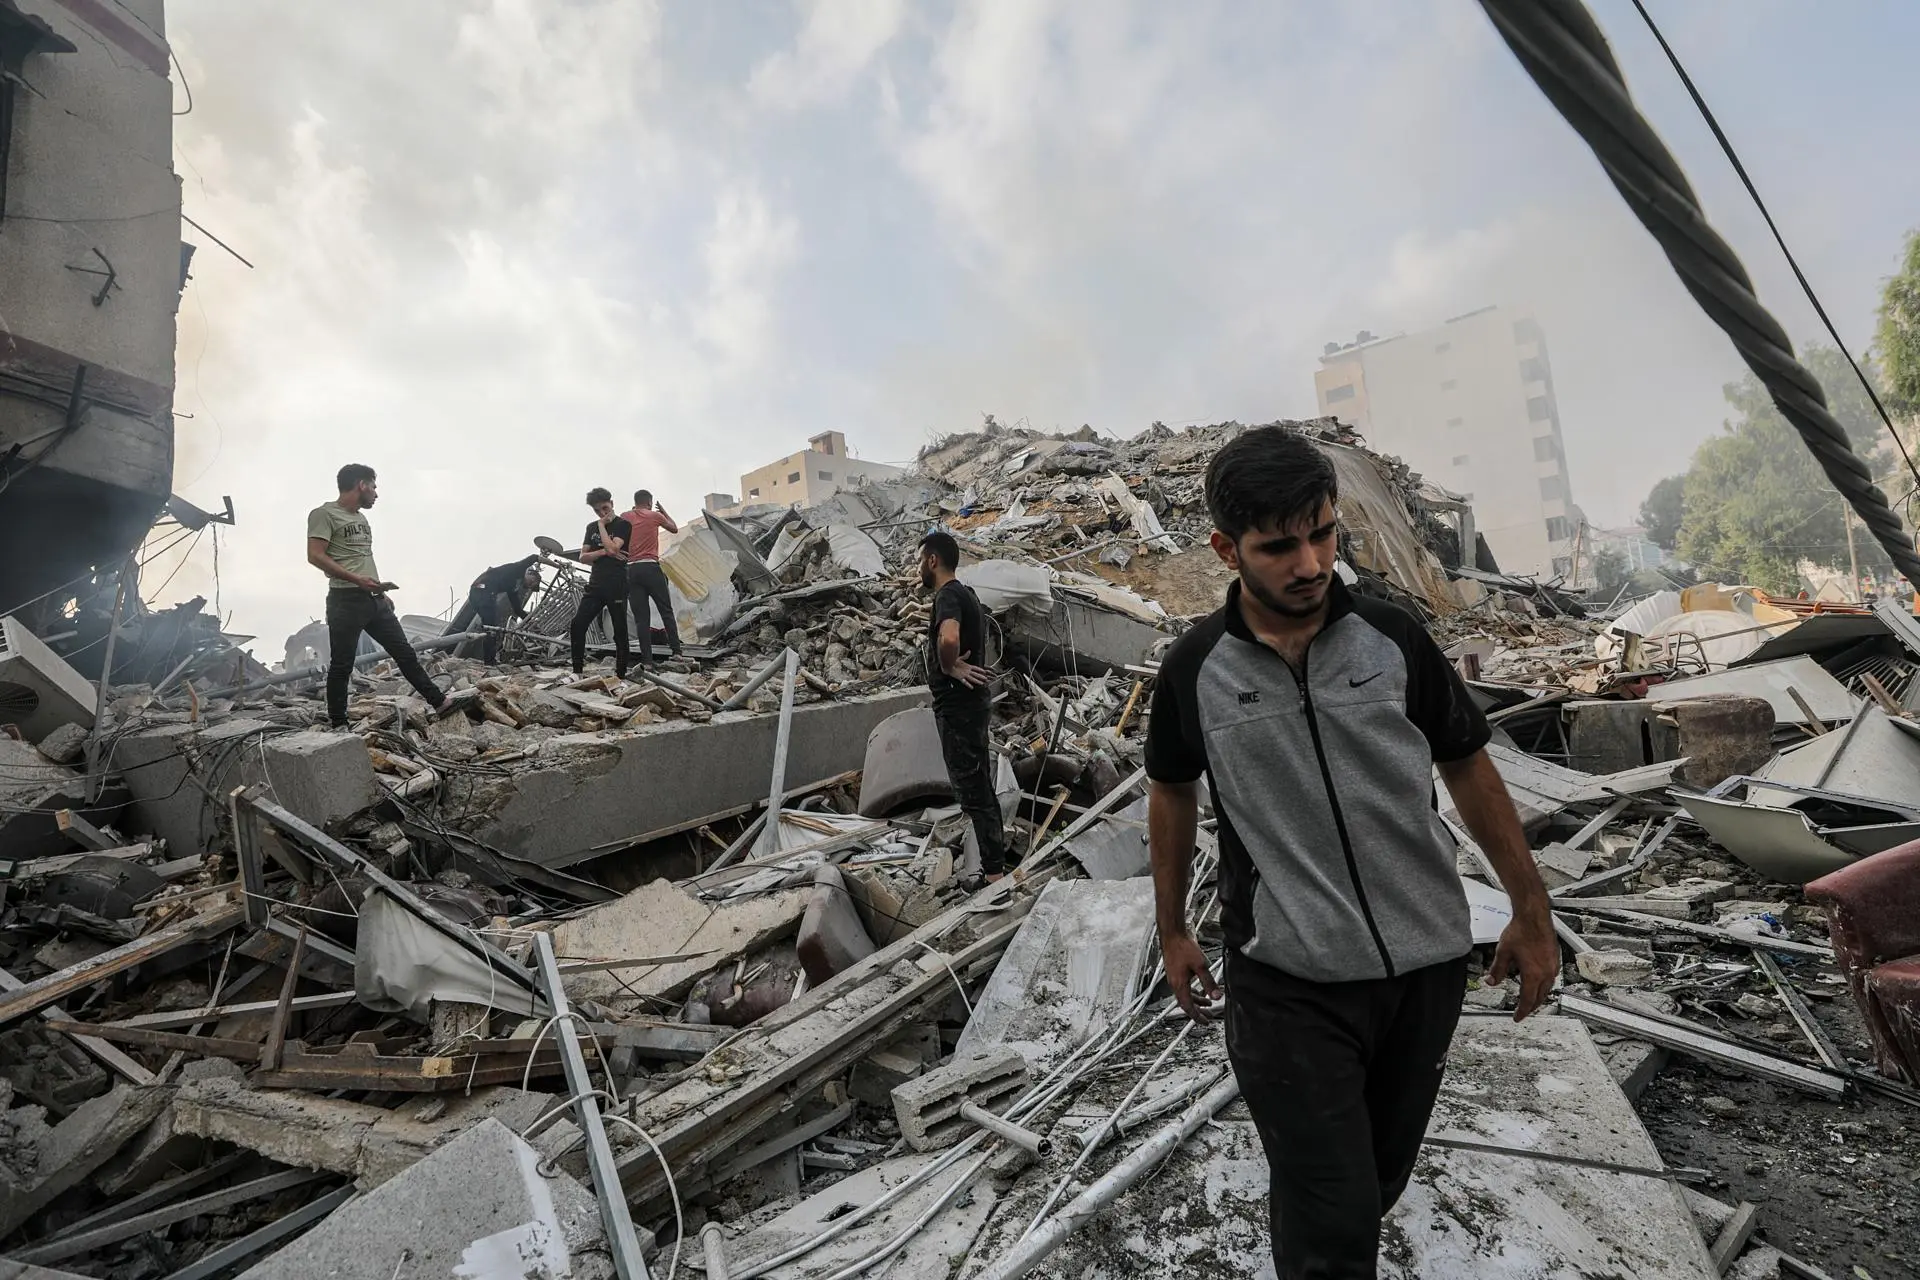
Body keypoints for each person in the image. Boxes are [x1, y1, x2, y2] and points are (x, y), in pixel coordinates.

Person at [1144, 426, 1557, 1278]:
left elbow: (1467, 764)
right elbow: (1171, 790)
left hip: (1423, 970)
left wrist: (1530, 907)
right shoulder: (1195, 669)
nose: (1310, 564)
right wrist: (1173, 928)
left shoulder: (1392, 638)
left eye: (1324, 534)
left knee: (1373, 1180)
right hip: (1287, 979)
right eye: (1279, 546)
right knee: (1333, 1214)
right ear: (1226, 548)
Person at [306, 464, 455, 728]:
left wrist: (378, 591)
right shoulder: (324, 514)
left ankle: (440, 702)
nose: (376, 494)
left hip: (373, 600)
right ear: (361, 485)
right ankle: (339, 723)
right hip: (345, 601)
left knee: (404, 653)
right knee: (342, 664)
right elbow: (315, 555)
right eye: (374, 487)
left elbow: (362, 558)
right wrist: (357, 580)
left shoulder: (362, 520)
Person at [916, 530, 1008, 882]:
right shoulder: (967, 593)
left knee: (974, 793)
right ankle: (994, 869)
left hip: (959, 709)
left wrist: (949, 665)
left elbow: (950, 636)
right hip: (970, 707)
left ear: (933, 560)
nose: (918, 568)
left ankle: (994, 877)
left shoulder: (948, 595)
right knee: (979, 788)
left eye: (920, 561)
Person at [569, 488, 632, 677]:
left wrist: (603, 527)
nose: (602, 513)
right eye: (597, 511)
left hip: (616, 584)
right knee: (578, 624)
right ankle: (577, 671)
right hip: (595, 584)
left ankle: (620, 674)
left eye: (605, 508)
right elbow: (583, 557)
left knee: (620, 629)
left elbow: (614, 549)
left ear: (612, 503)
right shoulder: (591, 527)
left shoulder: (623, 525)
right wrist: (604, 551)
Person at [620, 489, 681, 668]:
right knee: (666, 611)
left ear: (635, 502)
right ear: (649, 502)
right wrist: (663, 512)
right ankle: (677, 653)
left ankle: (647, 661)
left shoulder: (625, 516)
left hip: (631, 570)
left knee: (641, 619)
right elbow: (674, 528)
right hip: (651, 568)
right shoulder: (655, 516)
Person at [444, 555, 541, 664]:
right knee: (491, 629)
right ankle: (489, 661)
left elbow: (517, 609)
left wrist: (530, 621)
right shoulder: (518, 569)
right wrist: (555, 565)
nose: (530, 585)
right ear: (529, 573)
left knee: (490, 627)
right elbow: (534, 557)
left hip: (480, 592)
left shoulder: (512, 587)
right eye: (532, 581)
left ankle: (489, 659)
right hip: (483, 589)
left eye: (532, 585)